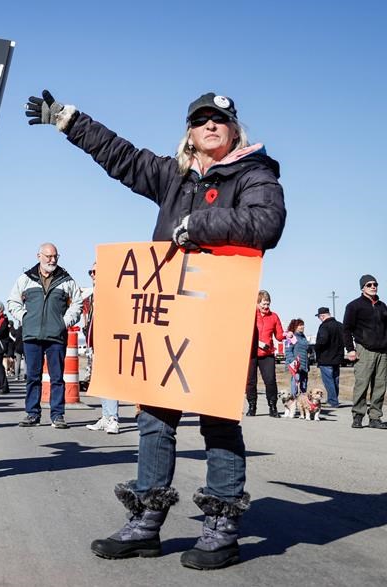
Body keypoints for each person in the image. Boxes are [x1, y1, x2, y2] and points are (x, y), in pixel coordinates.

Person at [26, 89, 285, 569]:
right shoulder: (174, 175)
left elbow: (267, 223)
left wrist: (198, 225)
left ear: (234, 130)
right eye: (201, 119)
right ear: (189, 131)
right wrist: (68, 120)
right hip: (168, 317)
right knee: (154, 418)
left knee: (219, 420)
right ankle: (146, 523)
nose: (210, 126)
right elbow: (120, 155)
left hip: (219, 318)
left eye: (220, 120)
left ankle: (222, 527)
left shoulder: (255, 174)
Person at [7, 242, 82, 428]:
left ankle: (57, 415)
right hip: (32, 336)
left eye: (55, 256)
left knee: (57, 378)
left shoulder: (66, 280)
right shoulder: (26, 279)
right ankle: (32, 414)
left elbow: (77, 304)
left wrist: (64, 322)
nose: (52, 259)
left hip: (56, 337)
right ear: (38, 256)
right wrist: (25, 317)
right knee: (33, 376)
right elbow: (12, 301)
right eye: (48, 256)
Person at [342, 275, 387, 429]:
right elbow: (346, 329)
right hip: (364, 350)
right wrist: (350, 349)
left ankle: (375, 417)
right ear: (362, 288)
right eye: (369, 285)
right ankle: (358, 416)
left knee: (380, 385)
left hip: (383, 351)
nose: (373, 287)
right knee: (362, 383)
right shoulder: (354, 306)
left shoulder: (382, 306)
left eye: (375, 284)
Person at [84, 263, 120, 435]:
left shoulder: (111, 291)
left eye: (95, 271)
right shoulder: (94, 293)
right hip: (96, 341)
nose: (92, 274)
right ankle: (106, 416)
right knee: (102, 380)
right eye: (90, 271)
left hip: (109, 342)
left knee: (110, 380)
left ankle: (113, 418)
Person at [246, 290, 284, 418]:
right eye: (263, 304)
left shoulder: (274, 316)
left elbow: (279, 336)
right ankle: (252, 406)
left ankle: (273, 407)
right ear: (257, 303)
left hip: (267, 354)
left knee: (270, 381)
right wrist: (258, 343)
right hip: (250, 353)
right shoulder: (250, 315)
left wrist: (286, 334)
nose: (266, 307)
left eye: (268, 304)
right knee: (250, 381)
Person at [313, 306, 345, 407]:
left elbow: (323, 340)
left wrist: (316, 348)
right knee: (335, 379)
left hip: (326, 358)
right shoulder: (340, 325)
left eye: (319, 317)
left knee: (328, 380)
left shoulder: (324, 326)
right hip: (338, 357)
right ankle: (334, 398)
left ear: (322, 316)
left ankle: (332, 401)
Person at [283, 318, 309, 415]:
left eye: (303, 325)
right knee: (295, 385)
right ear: (295, 326)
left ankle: (302, 405)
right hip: (295, 365)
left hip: (304, 365)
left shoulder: (303, 337)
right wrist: (292, 362)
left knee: (303, 385)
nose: (302, 327)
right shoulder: (291, 337)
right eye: (299, 325)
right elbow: (288, 351)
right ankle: (292, 404)